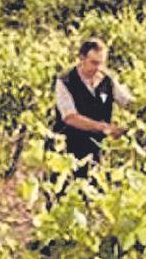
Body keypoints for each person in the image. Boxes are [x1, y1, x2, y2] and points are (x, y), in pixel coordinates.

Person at [50, 38, 134, 175]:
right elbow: (70, 118)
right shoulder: (65, 81)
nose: (98, 68)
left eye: (101, 63)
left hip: (95, 150)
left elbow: (127, 102)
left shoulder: (108, 80)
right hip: (68, 150)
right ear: (81, 58)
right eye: (94, 63)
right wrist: (104, 127)